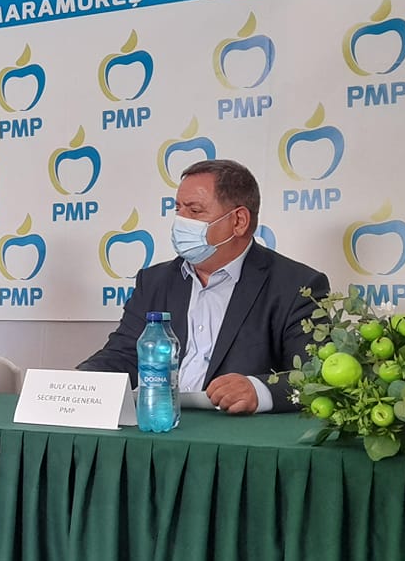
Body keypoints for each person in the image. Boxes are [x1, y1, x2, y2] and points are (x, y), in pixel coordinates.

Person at [79, 159, 327, 414]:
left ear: (239, 221)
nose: (181, 221)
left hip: (234, 430)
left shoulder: (298, 286)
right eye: (178, 209)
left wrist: (259, 390)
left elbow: (316, 376)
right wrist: (77, 385)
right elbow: (123, 355)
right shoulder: (154, 281)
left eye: (195, 211)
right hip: (159, 421)